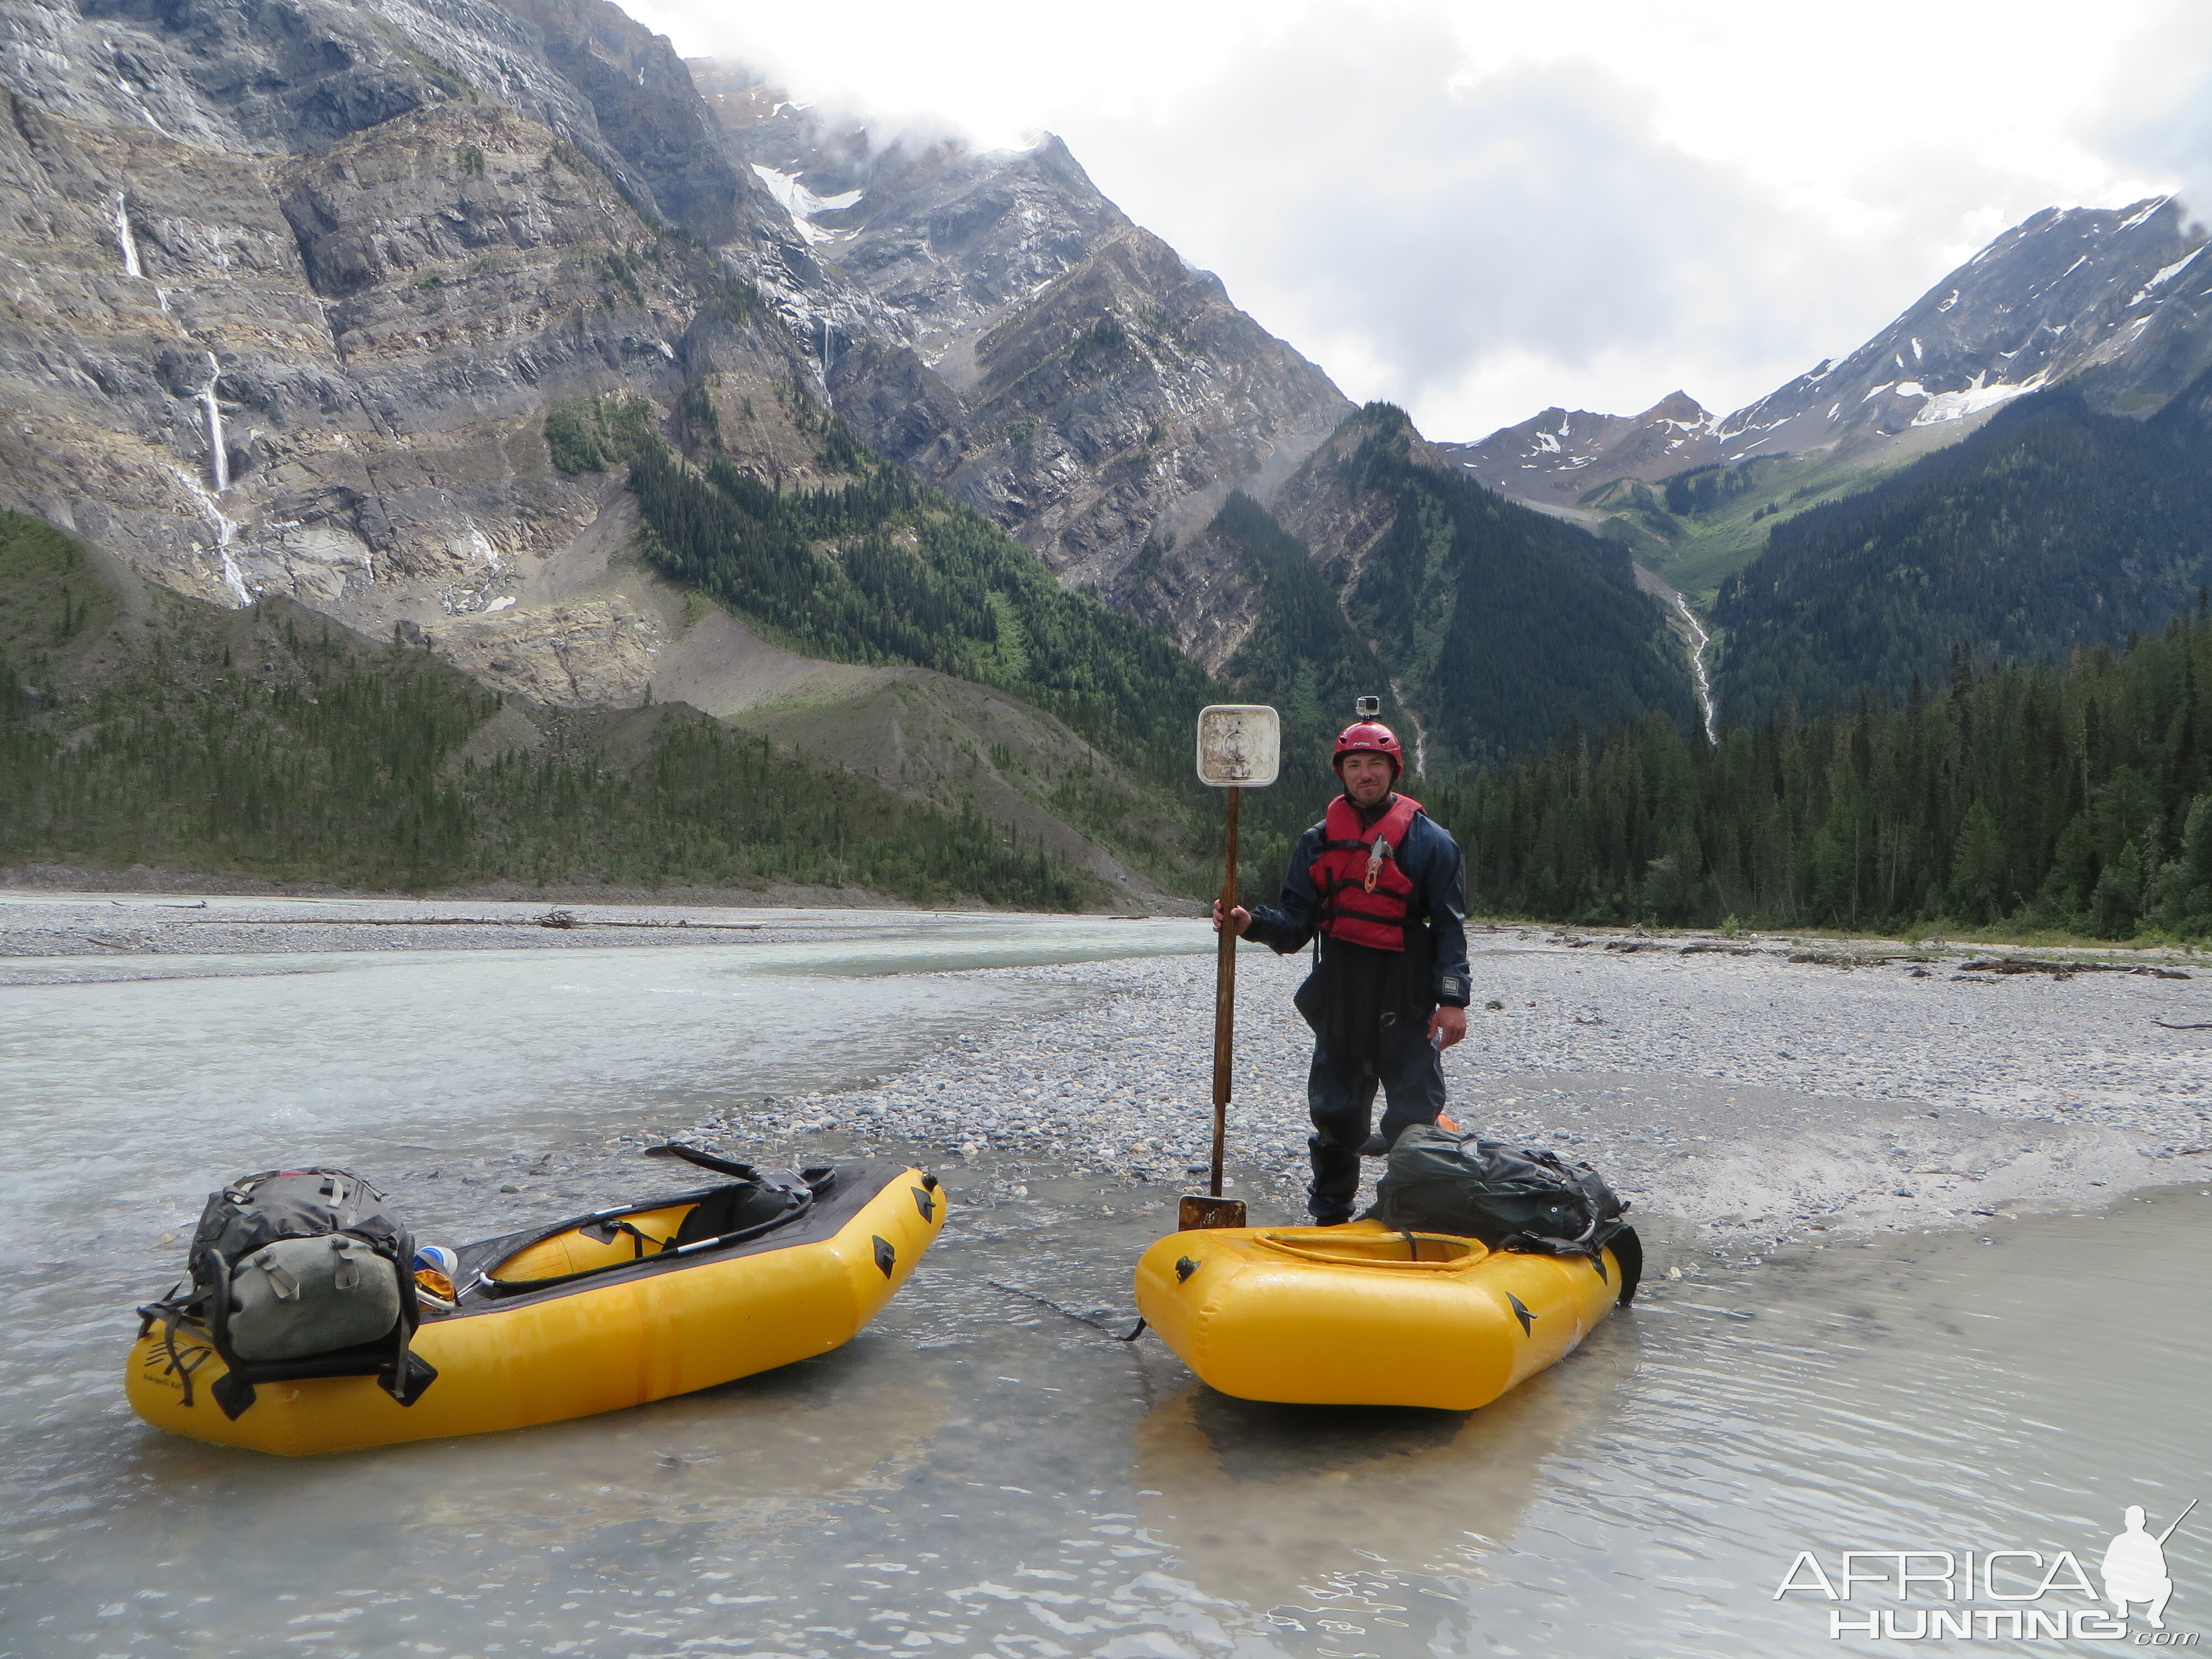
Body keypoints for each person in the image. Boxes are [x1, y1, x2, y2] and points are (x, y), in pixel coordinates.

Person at [1213, 716, 1472, 1224]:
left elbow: (1448, 926)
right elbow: (1294, 922)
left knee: (1416, 1105)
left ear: (1393, 770)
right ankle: (1330, 1214)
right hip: (1343, 987)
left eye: (1375, 764)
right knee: (1335, 1109)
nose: (1365, 774)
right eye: (1354, 765)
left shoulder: (1432, 843)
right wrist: (1248, 923)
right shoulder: (1317, 841)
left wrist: (1453, 1000)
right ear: (1342, 774)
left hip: (1408, 988)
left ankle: (1407, 1211)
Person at [2101, 1505, 2174, 1628]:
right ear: (2144, 1522)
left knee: (2166, 1583)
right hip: (2130, 1590)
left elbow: (2105, 1571)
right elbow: (2163, 1572)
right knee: (2166, 1584)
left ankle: (2151, 1614)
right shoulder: (2147, 1541)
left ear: (2126, 1522)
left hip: (2136, 1590)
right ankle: (2123, 1607)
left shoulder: (2121, 1540)